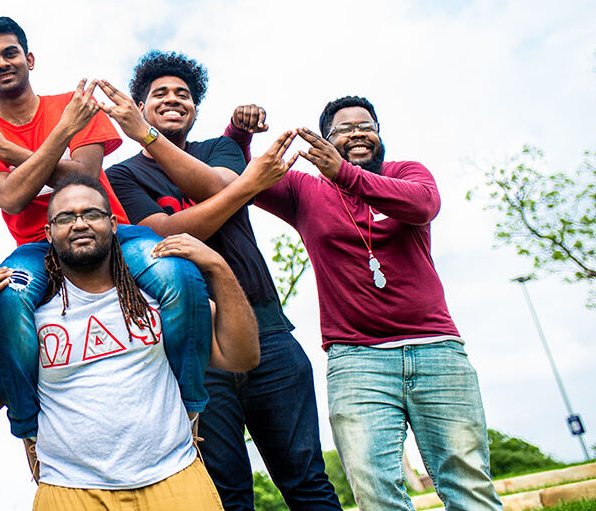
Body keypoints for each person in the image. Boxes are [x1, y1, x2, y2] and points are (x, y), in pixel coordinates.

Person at [174, 95, 502, 510]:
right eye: (343, 129)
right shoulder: (305, 191)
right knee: (375, 491)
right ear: (326, 140)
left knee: (466, 484)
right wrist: (238, 135)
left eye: (367, 125)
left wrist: (344, 173)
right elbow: (244, 183)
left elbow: (423, 206)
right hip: (356, 360)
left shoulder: (407, 174)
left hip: (436, 349)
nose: (357, 133)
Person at [99, 51, 343, 510]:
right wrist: (246, 187)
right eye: (159, 95)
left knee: (308, 482)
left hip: (269, 332)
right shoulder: (121, 174)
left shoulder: (220, 149)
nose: (173, 100)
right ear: (139, 106)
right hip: (195, 343)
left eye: (184, 95)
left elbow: (216, 187)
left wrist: (152, 140)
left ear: (195, 108)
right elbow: (159, 240)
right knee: (227, 493)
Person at [0, 15, 212, 443]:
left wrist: (11, 153)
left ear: (29, 58)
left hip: (112, 230)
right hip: (38, 247)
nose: (2, 63)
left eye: (10, 53)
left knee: (180, 274)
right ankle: (30, 432)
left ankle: (190, 407)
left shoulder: (74, 105)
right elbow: (13, 198)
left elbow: (86, 181)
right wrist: (55, 139)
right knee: (7, 301)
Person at [0, 174, 260, 510]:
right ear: (48, 233)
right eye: (65, 218)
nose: (79, 224)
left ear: (114, 224)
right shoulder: (28, 315)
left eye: (92, 214)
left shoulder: (157, 298)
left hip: (174, 478)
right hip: (71, 491)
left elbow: (242, 356)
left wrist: (218, 267)